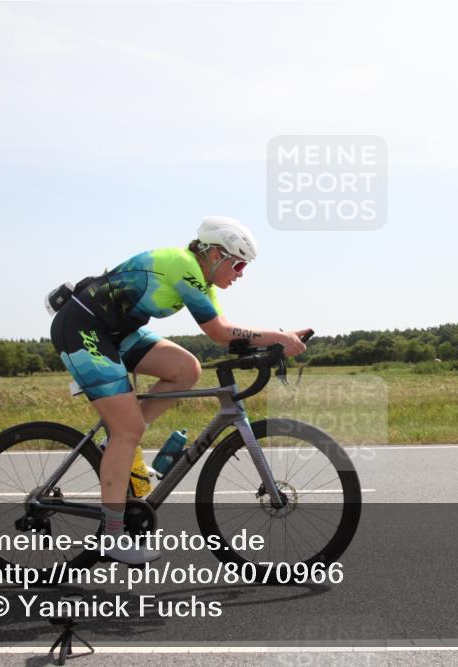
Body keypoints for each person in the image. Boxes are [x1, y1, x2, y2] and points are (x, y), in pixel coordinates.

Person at [49, 216, 308, 564]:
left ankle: (116, 444)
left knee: (186, 369)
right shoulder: (184, 267)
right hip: (84, 329)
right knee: (130, 428)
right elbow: (219, 332)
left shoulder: (203, 283)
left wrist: (272, 345)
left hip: (115, 333)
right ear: (216, 254)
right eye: (239, 264)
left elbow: (229, 334)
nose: (241, 273)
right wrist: (278, 336)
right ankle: (112, 535)